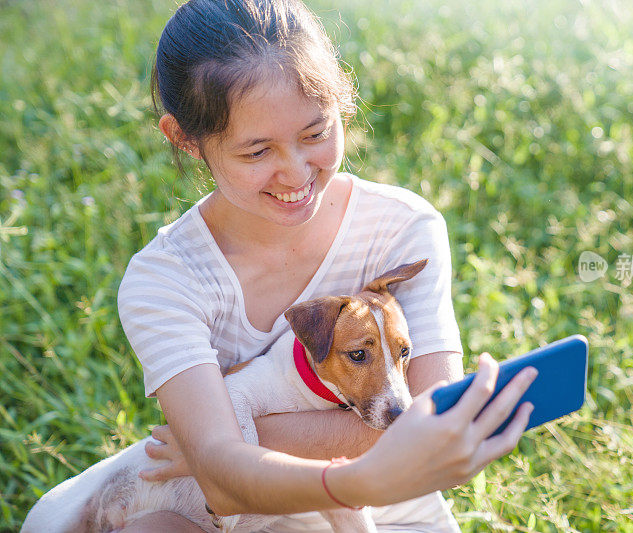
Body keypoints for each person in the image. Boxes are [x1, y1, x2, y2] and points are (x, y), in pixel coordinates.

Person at [116, 0, 536, 530]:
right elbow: (223, 489)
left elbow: (433, 428)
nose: (295, 174)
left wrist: (238, 440)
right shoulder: (166, 280)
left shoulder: (401, 228)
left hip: (393, 512)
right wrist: (346, 473)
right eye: (256, 152)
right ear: (184, 139)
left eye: (315, 134)